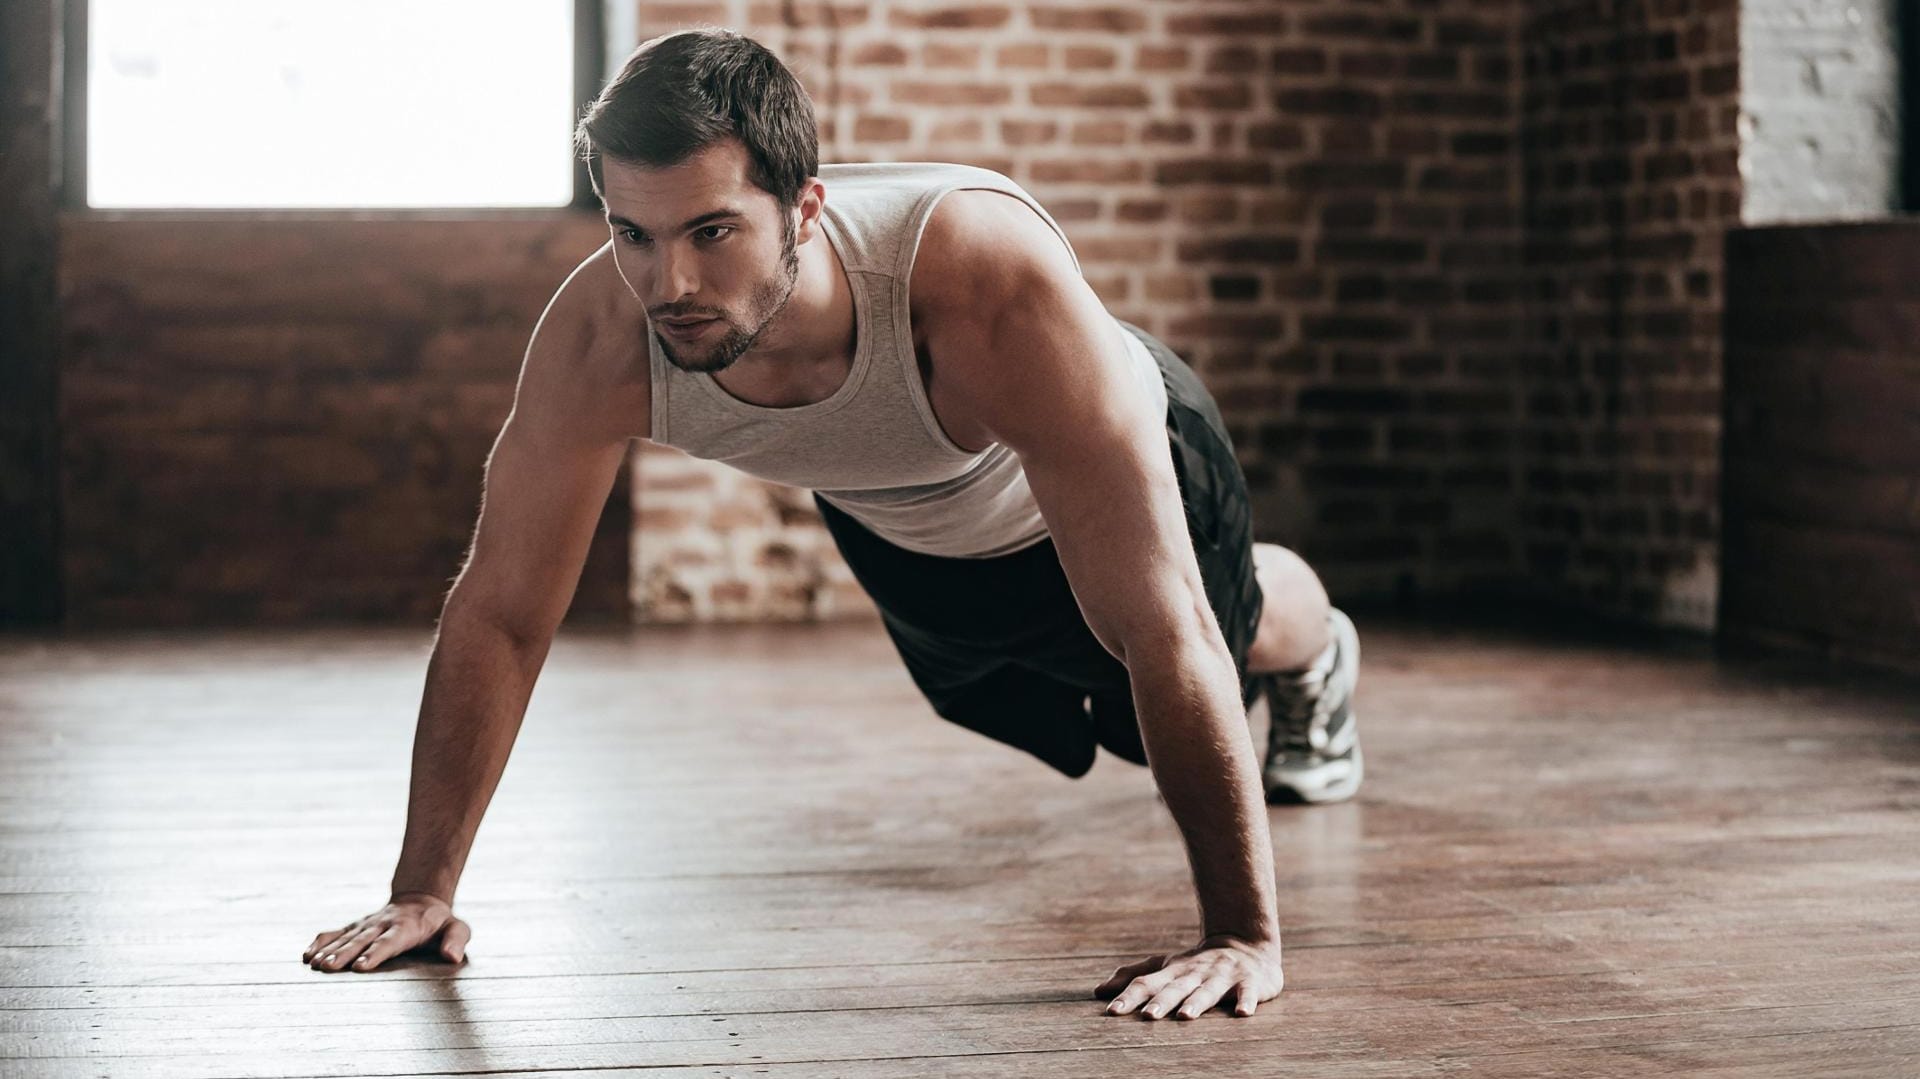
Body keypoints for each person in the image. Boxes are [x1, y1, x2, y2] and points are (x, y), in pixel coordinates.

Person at [302, 28, 1362, 1022]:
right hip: (909, 522)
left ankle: (1318, 648)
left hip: (1105, 460)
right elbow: (501, 610)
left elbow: (1167, 622)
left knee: (1207, 642)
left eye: (712, 231)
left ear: (804, 210)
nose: (668, 283)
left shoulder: (983, 283)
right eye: (634, 233)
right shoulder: (600, 339)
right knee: (1067, 716)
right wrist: (420, 890)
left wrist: (1243, 936)